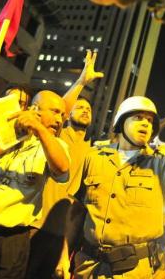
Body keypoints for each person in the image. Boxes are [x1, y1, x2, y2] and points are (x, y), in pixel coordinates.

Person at [74, 72, 165, 278]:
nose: (146, 123)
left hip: (134, 270)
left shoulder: (161, 162)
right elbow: (76, 210)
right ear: (121, 123)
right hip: (88, 265)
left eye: (149, 121)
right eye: (138, 118)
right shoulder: (95, 156)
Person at [0, 90, 70, 278]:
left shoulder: (54, 145)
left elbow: (62, 168)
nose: (60, 119)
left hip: (9, 242)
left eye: (63, 115)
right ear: (34, 109)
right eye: (55, 111)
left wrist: (40, 130)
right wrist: (16, 132)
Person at [26, 51, 103, 279]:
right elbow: (61, 109)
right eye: (79, 108)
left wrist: (66, 249)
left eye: (88, 109)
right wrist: (81, 82)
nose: (85, 110)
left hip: (60, 234)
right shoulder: (59, 137)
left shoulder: (93, 150)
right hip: (33, 224)